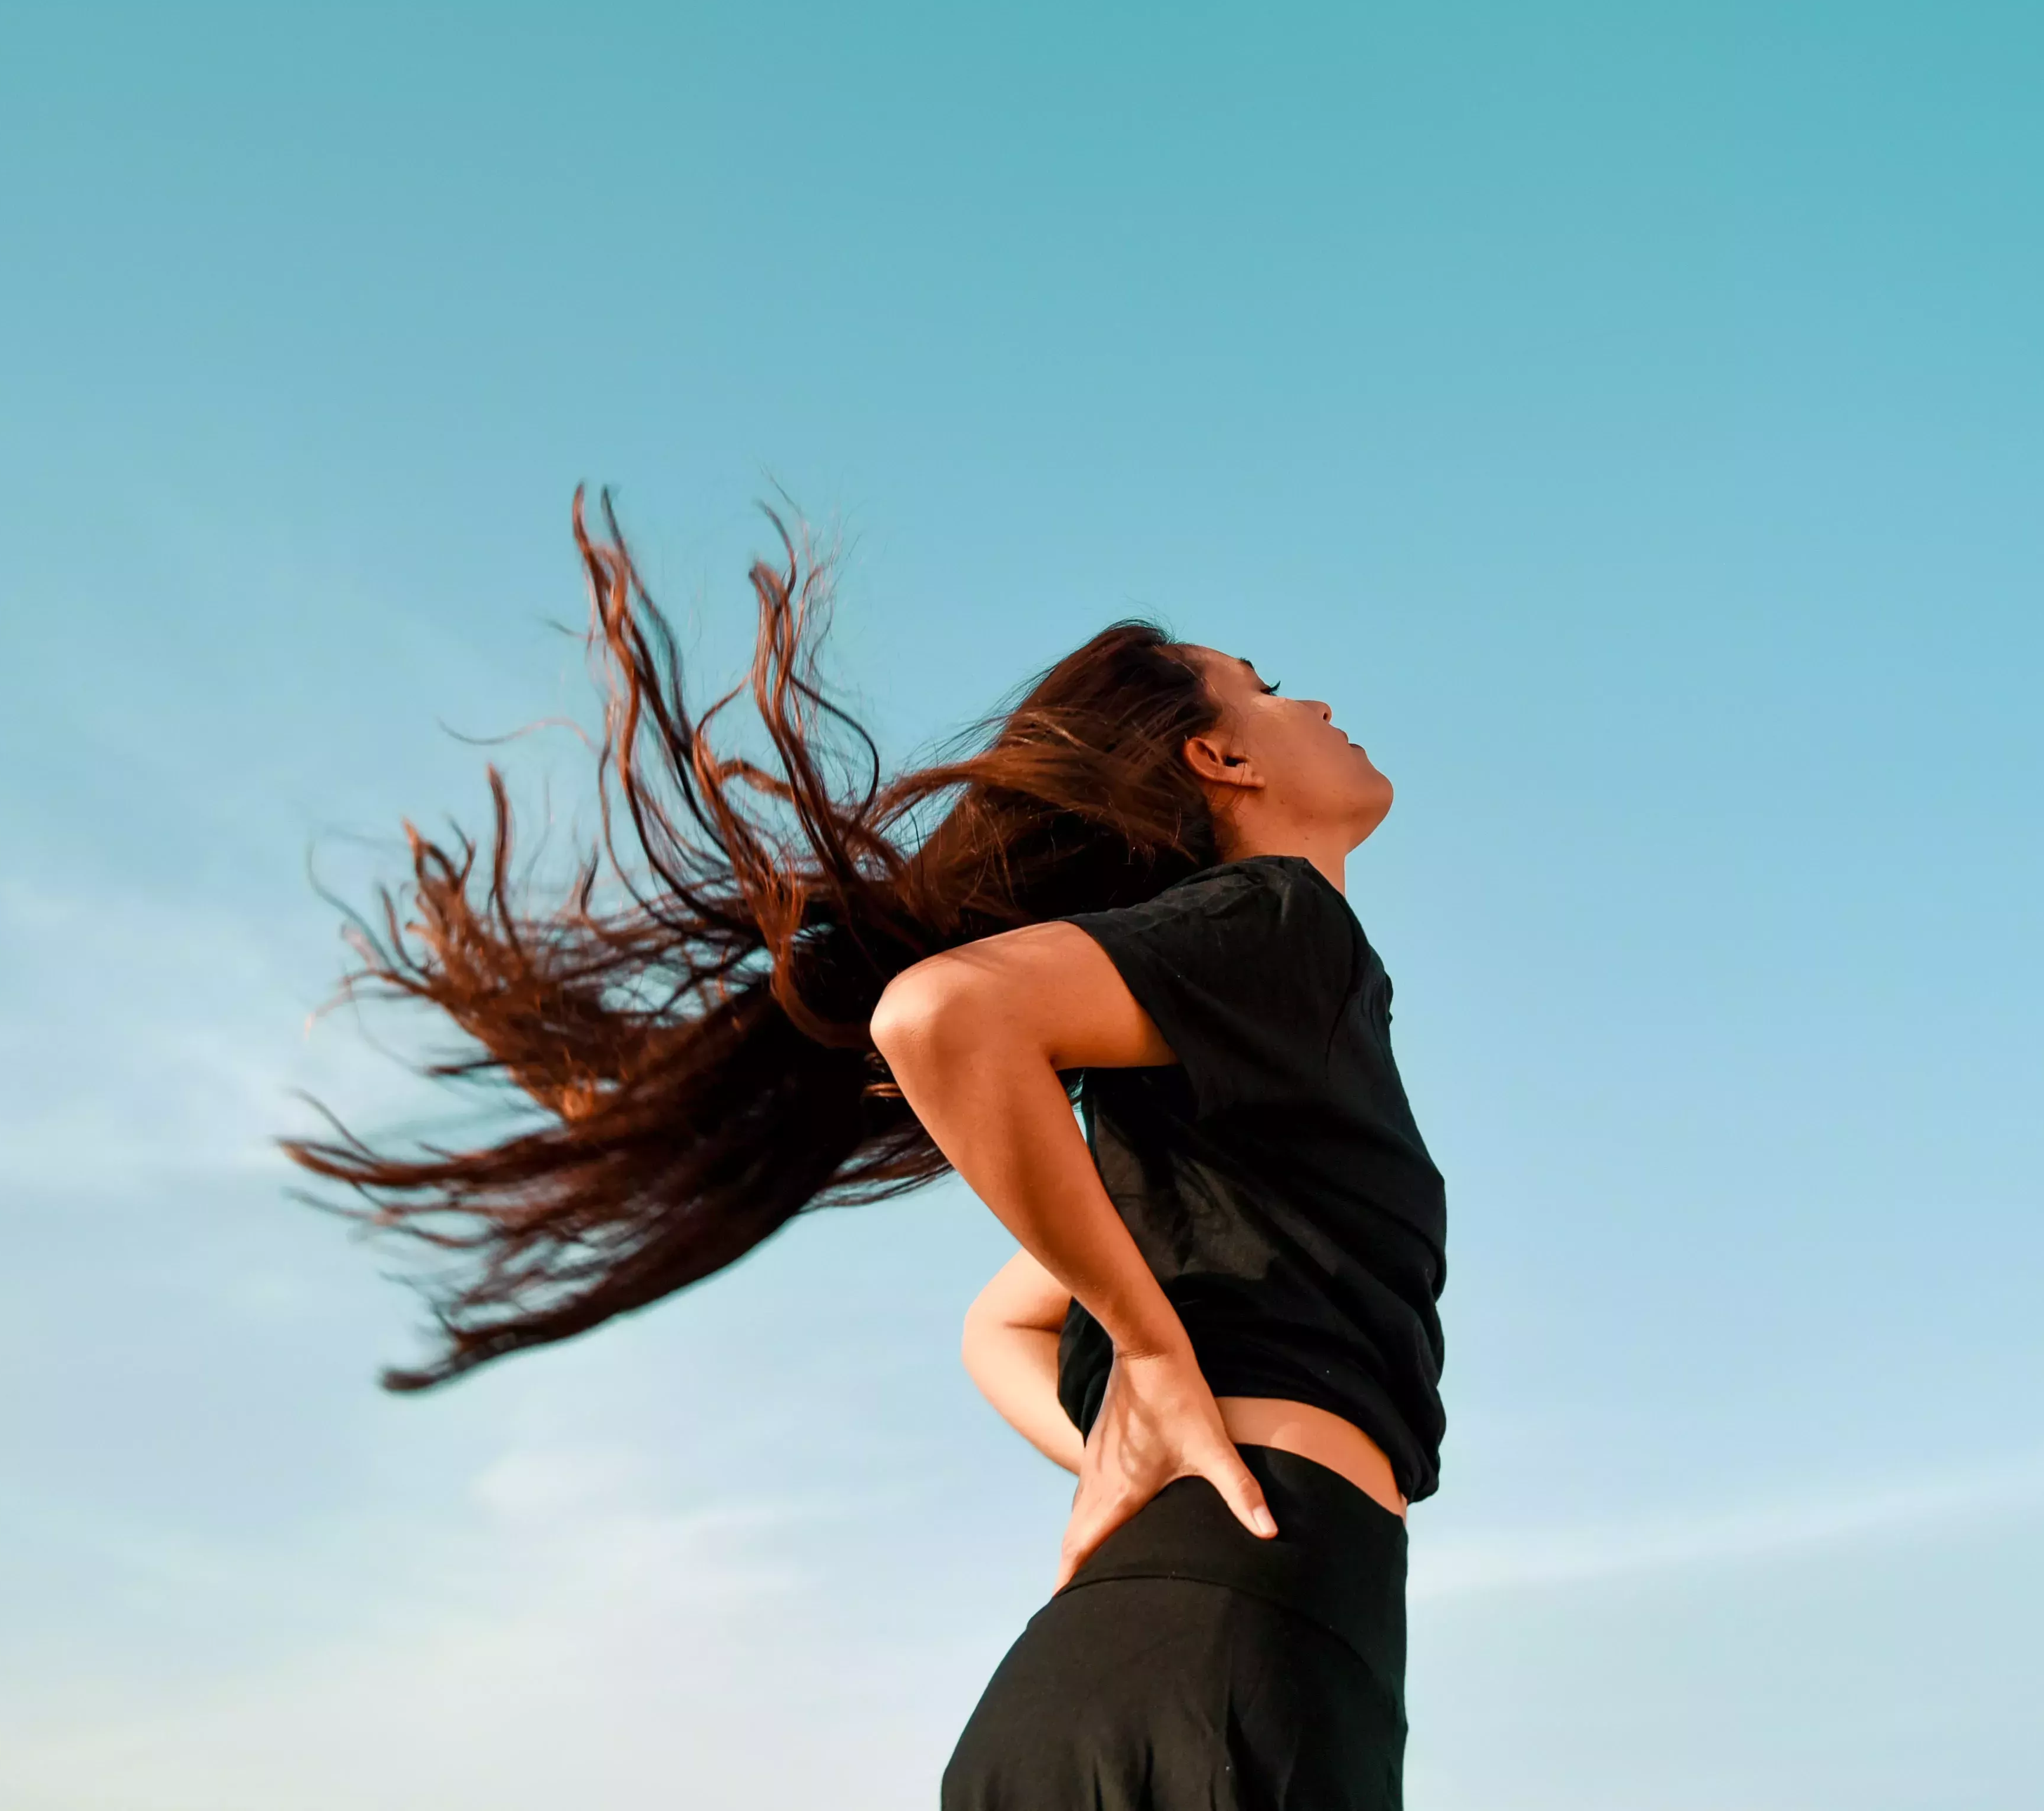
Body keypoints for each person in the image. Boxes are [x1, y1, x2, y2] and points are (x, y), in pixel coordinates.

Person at [287, 494, 1446, 1809]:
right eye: (1266, 689)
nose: (1317, 703)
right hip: (1238, 1664)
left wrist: (1145, 1429)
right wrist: (1150, 1348)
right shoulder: (1286, 922)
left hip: (1124, 1671)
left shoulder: (1239, 1064)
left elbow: (998, 1327)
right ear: (1218, 758)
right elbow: (941, 1011)